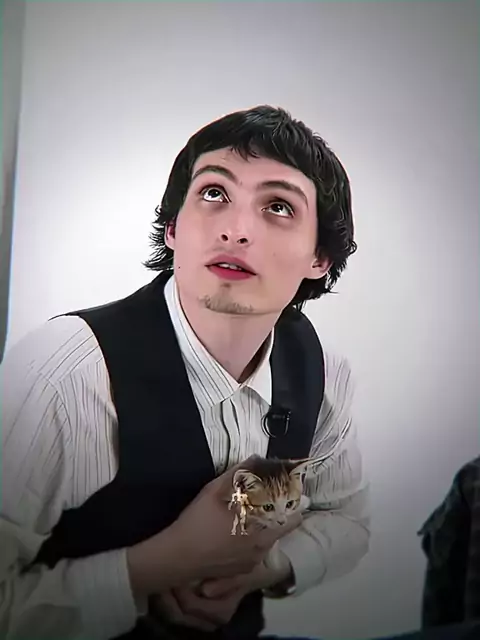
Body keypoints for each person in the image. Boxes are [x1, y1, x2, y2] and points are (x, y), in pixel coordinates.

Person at [0, 105, 370, 640]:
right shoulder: (62, 375)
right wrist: (162, 565)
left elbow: (348, 521)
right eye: (214, 193)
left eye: (278, 206)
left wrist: (255, 571)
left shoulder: (325, 373)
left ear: (320, 258)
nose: (236, 231)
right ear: (173, 227)